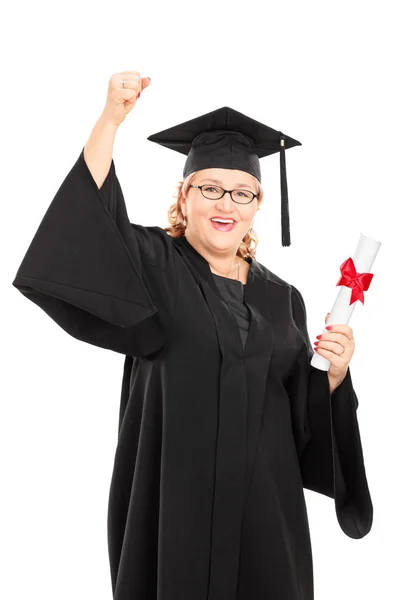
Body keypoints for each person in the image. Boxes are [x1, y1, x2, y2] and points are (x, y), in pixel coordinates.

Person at [12, 70, 373, 600]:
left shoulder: (283, 298)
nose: (226, 204)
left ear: (258, 205)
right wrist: (111, 118)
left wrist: (335, 377)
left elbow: (302, 414)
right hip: (174, 503)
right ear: (185, 194)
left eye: (242, 193)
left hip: (265, 515)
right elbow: (90, 224)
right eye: (210, 188)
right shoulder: (153, 263)